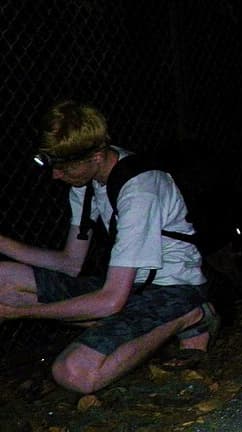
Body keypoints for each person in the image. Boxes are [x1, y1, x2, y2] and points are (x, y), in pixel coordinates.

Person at [0, 100, 219, 393]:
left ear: (97, 155)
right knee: (3, 279)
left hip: (174, 290)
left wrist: (20, 314)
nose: (56, 175)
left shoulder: (140, 188)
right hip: (129, 289)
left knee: (74, 373)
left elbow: (111, 300)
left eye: (64, 166)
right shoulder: (85, 184)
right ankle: (134, 332)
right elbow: (69, 263)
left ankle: (192, 315)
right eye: (54, 165)